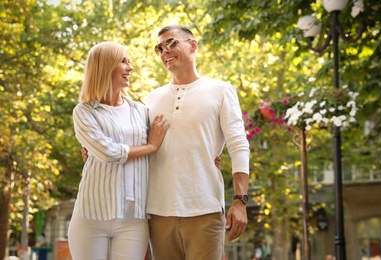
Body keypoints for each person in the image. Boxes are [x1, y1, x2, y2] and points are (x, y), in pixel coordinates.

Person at [146, 25, 250, 260]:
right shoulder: (151, 99)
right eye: (160, 47)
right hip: (158, 211)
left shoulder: (221, 90)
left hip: (205, 209)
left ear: (193, 45)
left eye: (171, 43)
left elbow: (238, 144)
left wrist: (240, 201)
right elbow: (135, 142)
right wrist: (96, 149)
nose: (165, 51)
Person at [68, 41, 169, 260]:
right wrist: (149, 147)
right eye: (123, 62)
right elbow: (108, 152)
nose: (130, 68)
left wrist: (212, 152)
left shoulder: (141, 111)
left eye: (129, 62)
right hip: (92, 215)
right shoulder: (84, 112)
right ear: (105, 66)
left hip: (134, 217)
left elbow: (170, 141)